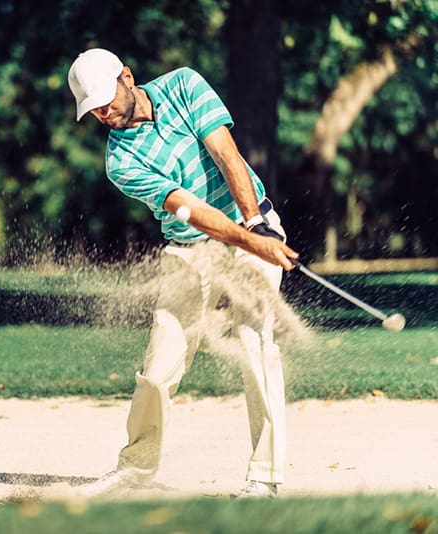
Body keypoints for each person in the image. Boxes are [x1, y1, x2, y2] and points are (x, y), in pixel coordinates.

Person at [67, 48, 300, 498]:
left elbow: (226, 154)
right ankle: (135, 467)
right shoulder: (120, 163)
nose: (102, 111)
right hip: (190, 248)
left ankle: (265, 478)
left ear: (127, 77)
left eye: (105, 99)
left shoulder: (184, 85)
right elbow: (187, 209)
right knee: (159, 366)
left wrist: (255, 227)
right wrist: (250, 239)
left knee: (254, 341)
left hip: (252, 221)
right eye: (92, 108)